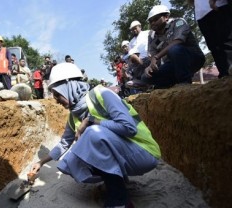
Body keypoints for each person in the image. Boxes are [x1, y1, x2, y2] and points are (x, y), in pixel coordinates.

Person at [30, 63, 160, 207]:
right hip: (127, 155)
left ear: (69, 86)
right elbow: (64, 143)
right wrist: (40, 162)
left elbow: (129, 128)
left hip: (144, 153)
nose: (56, 100)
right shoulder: (74, 115)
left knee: (92, 134)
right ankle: (117, 182)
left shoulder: (102, 94)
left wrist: (92, 121)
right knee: (77, 157)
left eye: (57, 94)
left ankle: (120, 201)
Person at [142, 5, 205, 89]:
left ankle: (185, 82)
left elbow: (178, 41)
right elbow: (153, 56)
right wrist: (150, 67)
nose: (153, 23)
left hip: (193, 58)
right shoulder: (151, 36)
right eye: (150, 21)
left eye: (156, 19)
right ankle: (168, 84)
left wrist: (157, 57)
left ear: (166, 17)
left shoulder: (178, 22)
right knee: (145, 77)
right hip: (173, 64)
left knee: (174, 49)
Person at [193, 0, 232, 77]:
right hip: (201, 14)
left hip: (218, 6)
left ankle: (229, 73)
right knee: (214, 47)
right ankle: (224, 74)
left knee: (226, 43)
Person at [126, 20, 151, 88]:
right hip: (138, 62)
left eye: (135, 28)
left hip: (149, 58)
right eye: (132, 29)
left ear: (140, 27)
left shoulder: (147, 33)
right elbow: (131, 54)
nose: (134, 30)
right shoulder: (131, 42)